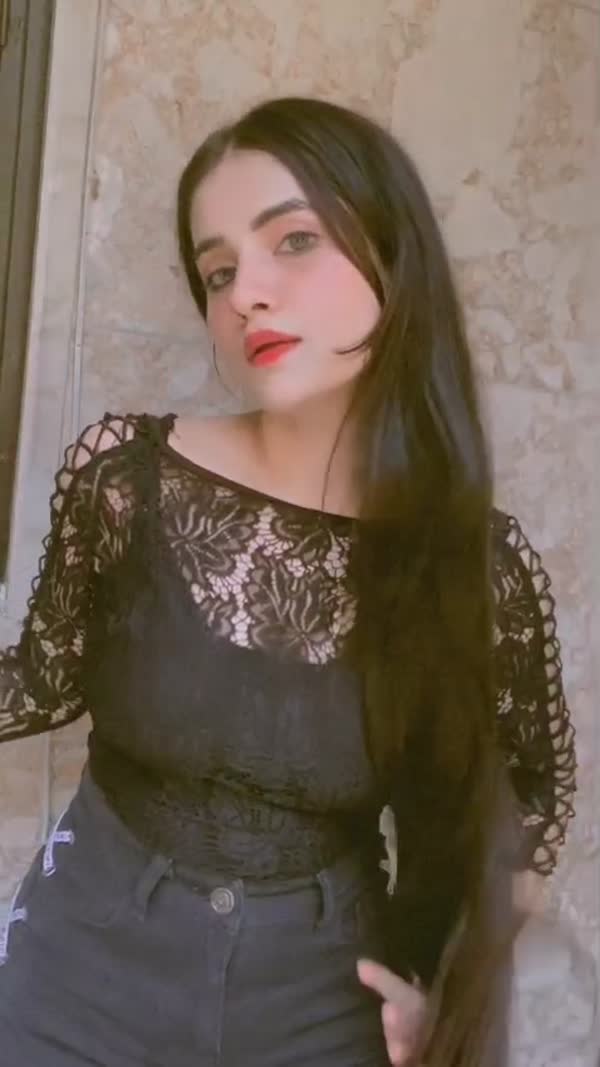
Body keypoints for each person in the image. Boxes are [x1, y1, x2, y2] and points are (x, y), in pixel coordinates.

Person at [0, 96, 576, 1067]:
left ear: (392, 251)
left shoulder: (474, 561)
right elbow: (45, 676)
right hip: (83, 960)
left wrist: (448, 988)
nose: (245, 296)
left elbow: (525, 797)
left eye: (294, 240)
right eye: (218, 270)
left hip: (323, 995)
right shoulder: (128, 476)